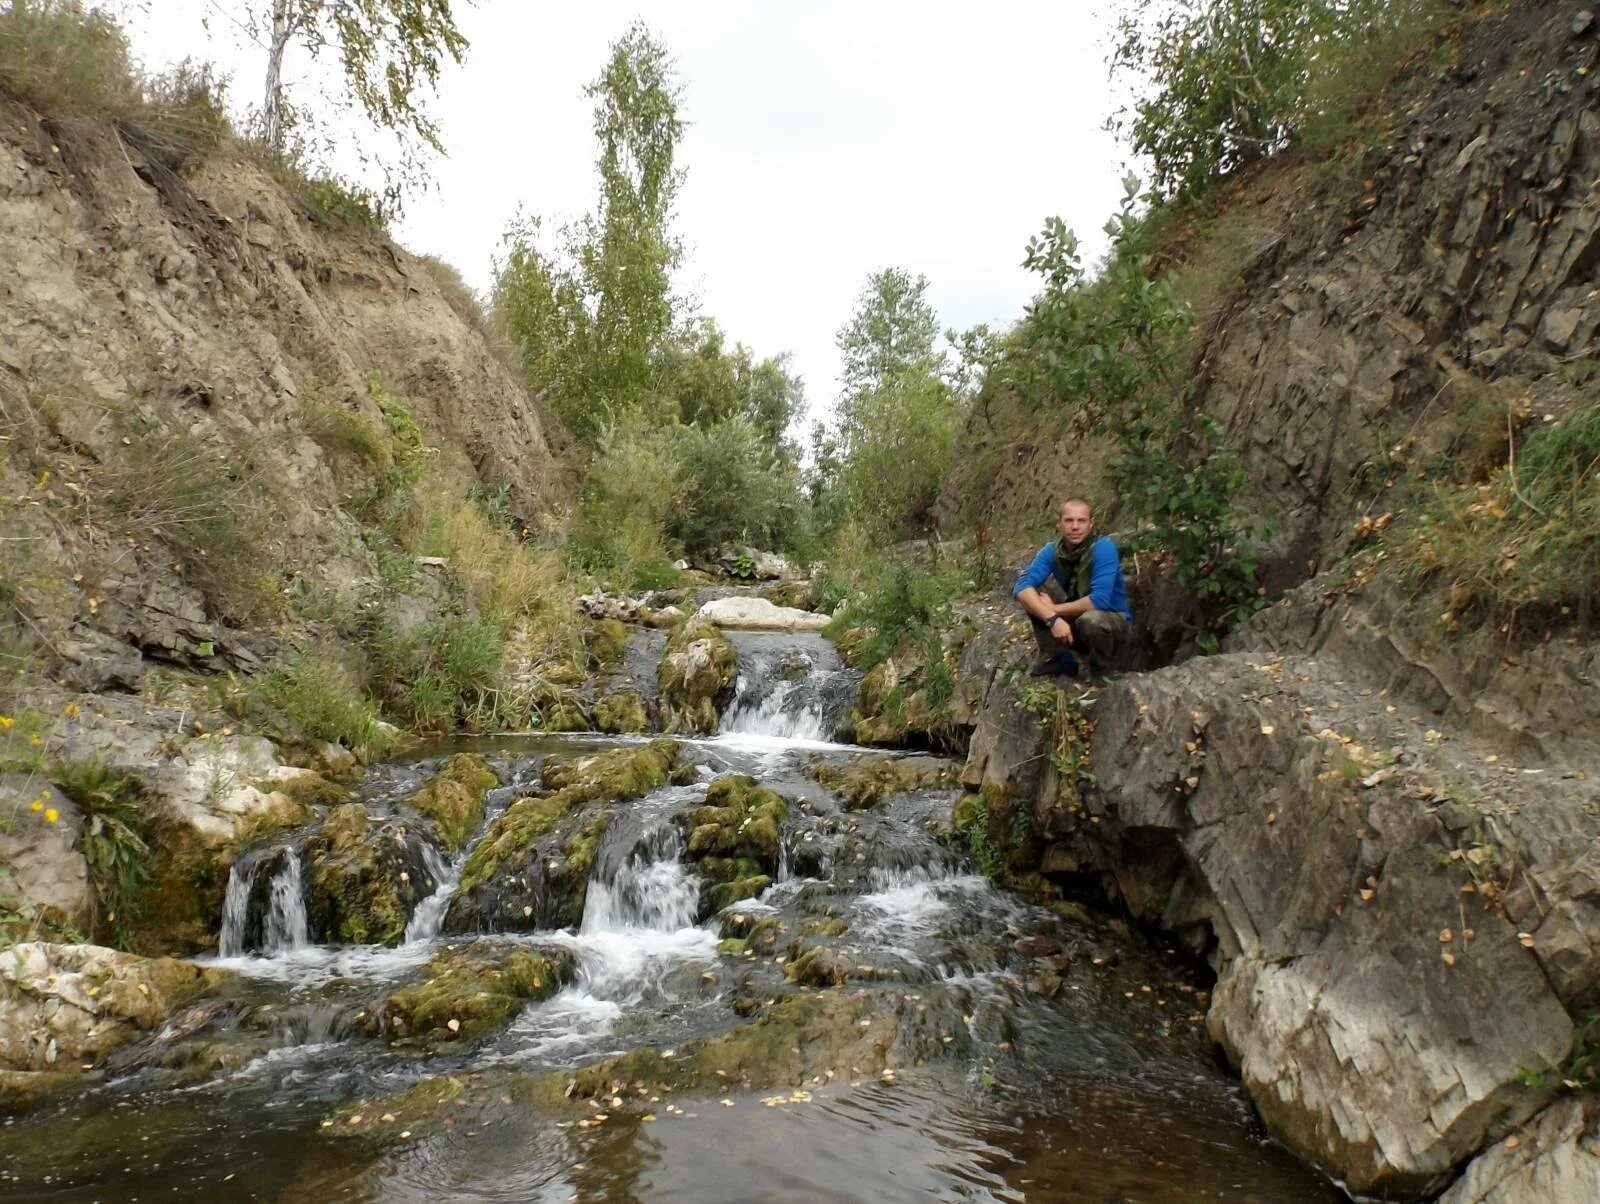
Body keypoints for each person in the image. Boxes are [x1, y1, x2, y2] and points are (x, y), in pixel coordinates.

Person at [1013, 497, 1132, 678]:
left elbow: (1099, 600)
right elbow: (1021, 588)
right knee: (1033, 593)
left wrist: (1053, 610)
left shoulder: (1103, 548)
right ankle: (1061, 658)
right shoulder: (1052, 551)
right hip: (1076, 620)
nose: (1075, 527)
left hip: (1112, 625)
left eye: (1081, 521)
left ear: (1091, 524)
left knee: (1092, 620)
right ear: (1059, 524)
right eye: (1069, 520)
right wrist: (1052, 619)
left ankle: (1103, 670)